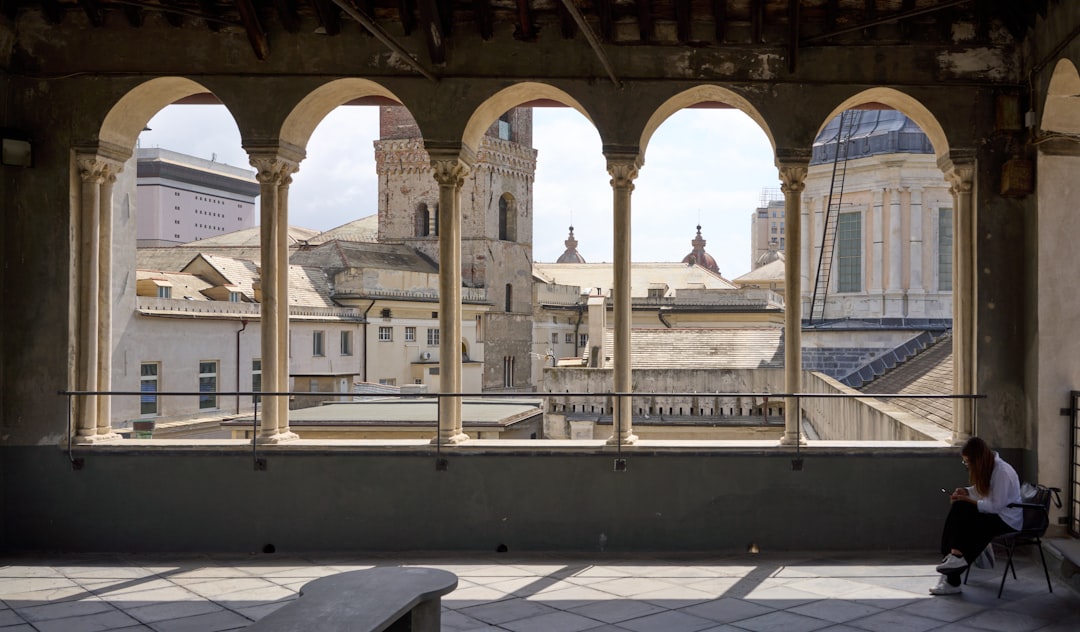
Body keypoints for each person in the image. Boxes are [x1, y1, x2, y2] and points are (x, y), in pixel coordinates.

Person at [930, 436, 1022, 596]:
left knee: (967, 519)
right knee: (961, 509)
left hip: (1007, 519)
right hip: (996, 515)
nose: (967, 466)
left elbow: (994, 506)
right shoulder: (991, 468)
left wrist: (967, 499)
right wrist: (966, 491)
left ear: (977, 460)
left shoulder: (1002, 473)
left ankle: (952, 566)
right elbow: (983, 490)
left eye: (967, 462)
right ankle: (954, 557)